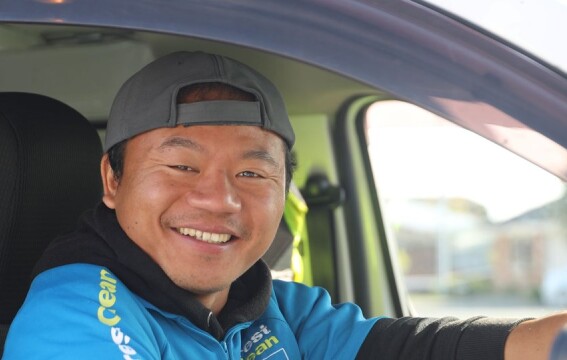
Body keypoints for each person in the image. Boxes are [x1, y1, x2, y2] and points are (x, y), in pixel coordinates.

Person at [3, 51, 566, 359]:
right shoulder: (78, 310)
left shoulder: (272, 308)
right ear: (111, 179)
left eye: (251, 172)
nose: (219, 199)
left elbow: (425, 351)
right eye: (181, 166)